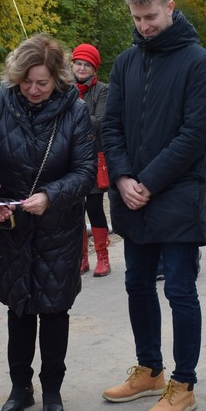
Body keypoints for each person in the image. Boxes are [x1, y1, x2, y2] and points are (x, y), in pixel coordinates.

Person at [0, 34, 94, 411]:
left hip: (58, 227)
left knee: (54, 309)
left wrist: (51, 195)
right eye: (27, 82)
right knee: (18, 309)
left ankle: (52, 390)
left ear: (57, 79)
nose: (33, 90)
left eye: (42, 83)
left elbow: (85, 173)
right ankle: (20, 388)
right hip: (9, 223)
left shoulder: (76, 111)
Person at [100, 0, 206, 411]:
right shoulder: (126, 62)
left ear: (170, 7)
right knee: (136, 285)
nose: (145, 26)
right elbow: (110, 127)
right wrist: (124, 177)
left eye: (151, 17)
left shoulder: (198, 61)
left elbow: (196, 135)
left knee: (180, 289)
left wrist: (148, 181)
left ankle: (183, 384)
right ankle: (149, 369)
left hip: (176, 195)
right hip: (133, 196)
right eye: (137, 18)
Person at [69, 43, 113, 277]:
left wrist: (73, 118)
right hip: (70, 160)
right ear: (72, 65)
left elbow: (100, 121)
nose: (82, 68)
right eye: (79, 63)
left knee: (94, 207)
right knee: (75, 209)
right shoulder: (63, 88)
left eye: (87, 65)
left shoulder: (103, 90)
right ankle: (82, 258)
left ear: (94, 69)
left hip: (95, 156)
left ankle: (103, 258)